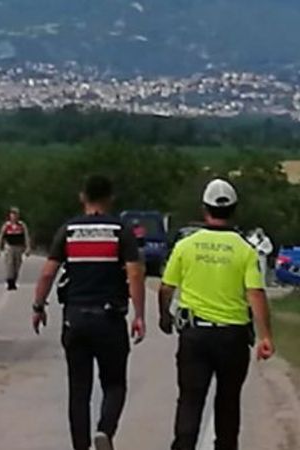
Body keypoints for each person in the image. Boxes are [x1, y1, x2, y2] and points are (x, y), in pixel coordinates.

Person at [158, 178, 274, 450]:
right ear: (234, 209)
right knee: (228, 402)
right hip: (232, 337)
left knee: (190, 400)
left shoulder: (186, 245)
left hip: (195, 334)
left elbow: (165, 288)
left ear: (204, 209)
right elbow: (255, 293)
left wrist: (165, 316)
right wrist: (265, 335)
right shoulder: (245, 249)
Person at [32, 175, 146, 450]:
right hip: (109, 319)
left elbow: (48, 272)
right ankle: (105, 430)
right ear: (111, 198)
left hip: (75, 318)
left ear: (82, 197)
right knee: (114, 384)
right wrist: (139, 314)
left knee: (79, 391)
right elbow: (134, 275)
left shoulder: (68, 230)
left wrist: (39, 306)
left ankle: (80, 446)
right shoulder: (121, 230)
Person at [0, 207, 32, 291]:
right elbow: (1, 236)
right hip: (9, 247)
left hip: (19, 247)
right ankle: (10, 282)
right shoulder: (7, 225)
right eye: (12, 215)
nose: (14, 217)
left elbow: (26, 237)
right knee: (9, 264)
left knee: (17, 265)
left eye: (15, 215)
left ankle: (14, 280)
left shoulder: (22, 225)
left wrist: (28, 247)